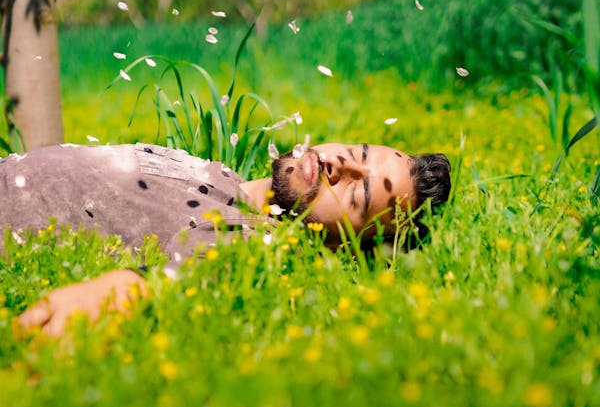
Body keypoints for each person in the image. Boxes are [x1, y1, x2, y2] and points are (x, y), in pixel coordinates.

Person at [2, 141, 450, 336]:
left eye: (357, 193)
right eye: (357, 154)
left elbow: (191, 274)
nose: (339, 166)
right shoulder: (223, 178)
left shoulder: (248, 240)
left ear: (347, 245)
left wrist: (122, 292)